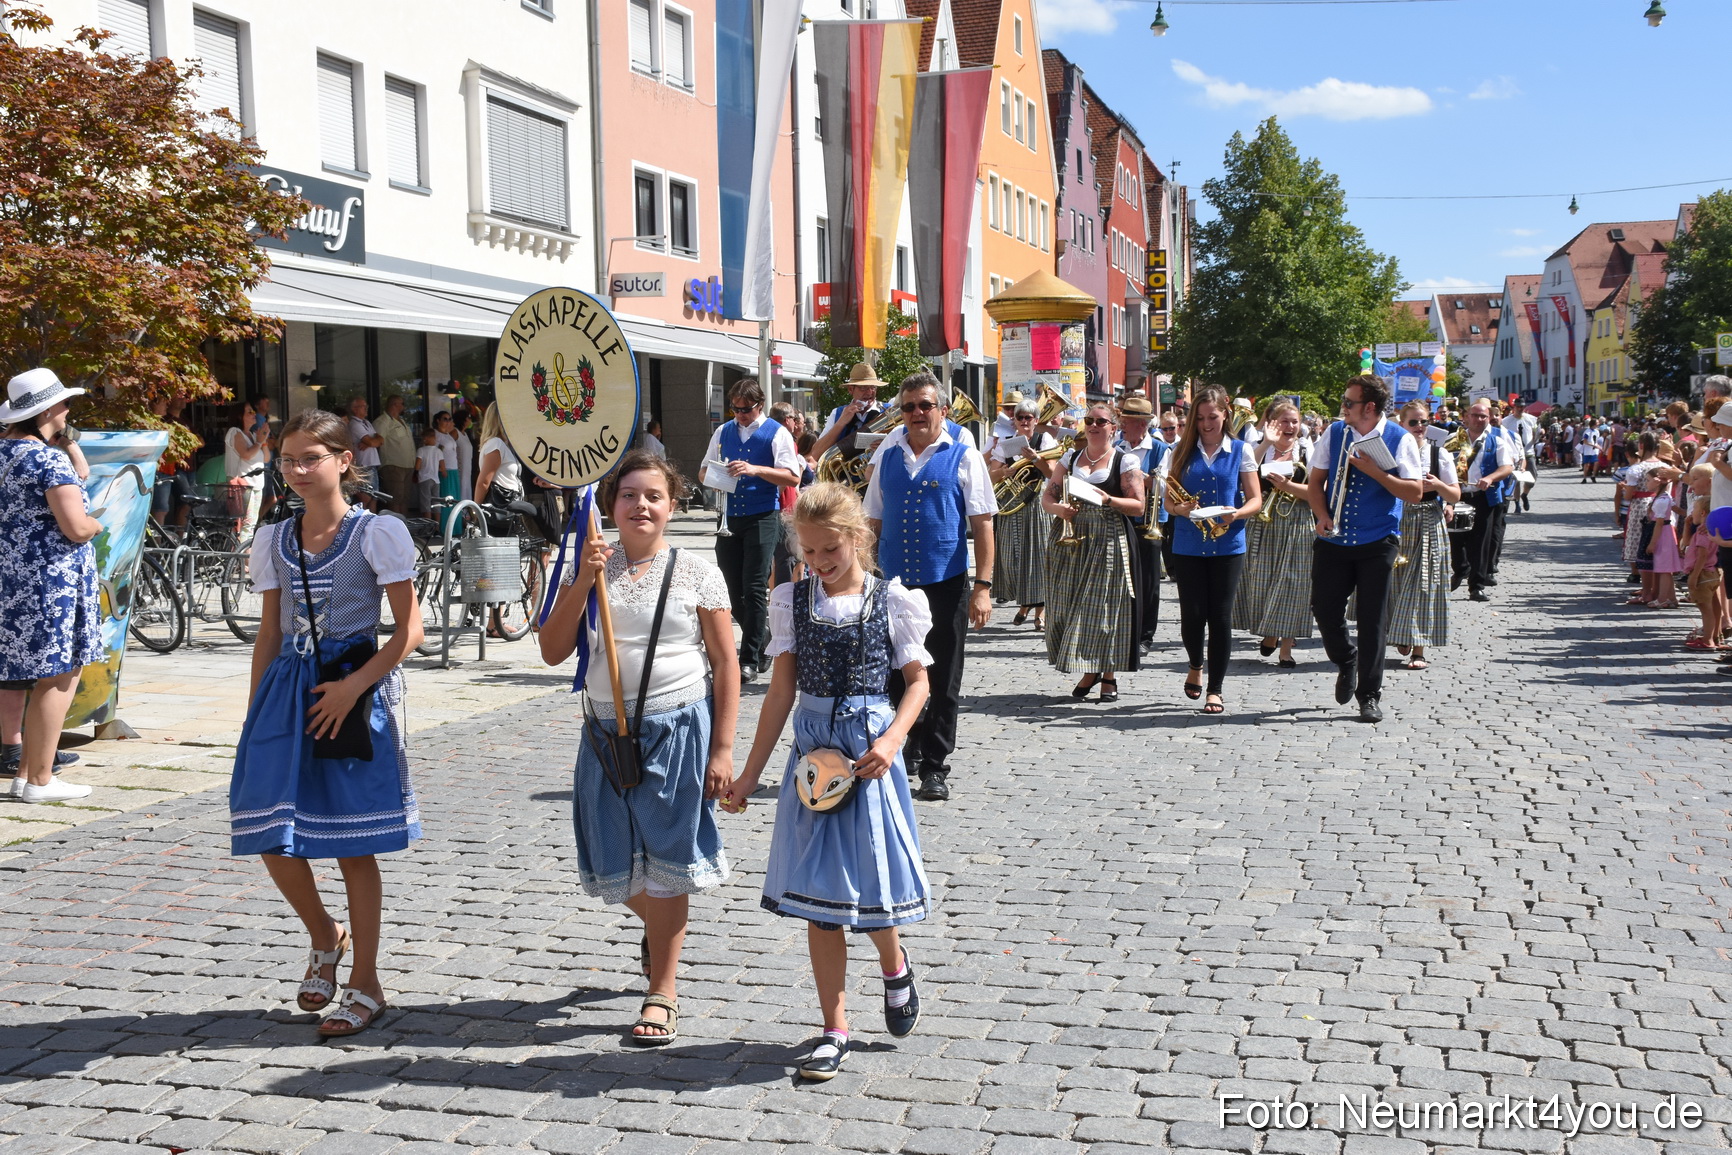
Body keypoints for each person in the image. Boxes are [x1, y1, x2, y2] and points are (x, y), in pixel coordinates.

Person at [722, 483, 931, 1081]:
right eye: (808, 553)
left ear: (857, 537)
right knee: (820, 899)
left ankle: (894, 967)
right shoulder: (792, 600)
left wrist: (891, 740)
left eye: (829, 550)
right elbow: (782, 690)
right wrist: (750, 773)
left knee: (869, 886)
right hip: (815, 757)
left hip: (868, 753)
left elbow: (917, 683)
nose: (818, 563)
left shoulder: (892, 600)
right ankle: (833, 1027)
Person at [228, 409, 423, 1037]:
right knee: (263, 823)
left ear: (344, 461)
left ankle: (366, 981)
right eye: (288, 459)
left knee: (351, 843)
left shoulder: (377, 533)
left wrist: (352, 689)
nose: (297, 470)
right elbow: (269, 631)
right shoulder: (273, 539)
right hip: (289, 687)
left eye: (311, 457)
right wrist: (257, 707)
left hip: (353, 685)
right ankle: (324, 933)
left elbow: (410, 631)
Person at [540, 450, 738, 1045]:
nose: (641, 505)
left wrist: (724, 748)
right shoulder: (591, 565)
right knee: (612, 859)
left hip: (676, 727)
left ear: (673, 506)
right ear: (611, 506)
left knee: (668, 858)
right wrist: (581, 579)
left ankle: (663, 990)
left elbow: (727, 663)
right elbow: (552, 650)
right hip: (603, 732)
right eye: (629, 495)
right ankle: (661, 926)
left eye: (653, 495)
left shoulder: (697, 570)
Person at [863, 372, 996, 801]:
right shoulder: (888, 452)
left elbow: (982, 523)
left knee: (943, 676)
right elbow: (872, 521)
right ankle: (906, 751)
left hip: (946, 581)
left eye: (925, 405)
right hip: (893, 583)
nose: (917, 414)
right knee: (895, 674)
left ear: (942, 409)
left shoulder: (963, 454)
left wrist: (983, 586)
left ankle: (935, 767)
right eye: (908, 407)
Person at [0, 369, 101, 804]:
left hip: (13, 578)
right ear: (45, 410)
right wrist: (97, 523)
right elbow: (76, 527)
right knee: (59, 675)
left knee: (35, 675)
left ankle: (27, 775)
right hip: (51, 580)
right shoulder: (45, 459)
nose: (67, 410)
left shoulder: (6, 453)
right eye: (62, 404)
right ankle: (41, 780)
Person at [1306, 374, 1423, 724]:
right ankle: (1346, 659)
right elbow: (1315, 482)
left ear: (1369, 407)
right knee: (1324, 610)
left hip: (1378, 540)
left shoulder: (1399, 439)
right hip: (1335, 537)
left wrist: (1377, 473)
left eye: (1349, 402)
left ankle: (1369, 694)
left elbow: (1414, 492)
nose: (1343, 407)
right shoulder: (1335, 432)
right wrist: (1321, 514)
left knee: (1373, 621)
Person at [1163, 385, 1262, 715]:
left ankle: (1215, 689)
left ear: (1226, 415)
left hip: (1228, 543)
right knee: (1192, 615)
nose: (1207, 424)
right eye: (1201, 418)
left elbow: (1255, 499)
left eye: (1213, 418)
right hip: (1188, 542)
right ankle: (1195, 663)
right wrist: (1182, 510)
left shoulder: (1240, 451)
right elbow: (1168, 502)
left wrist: (1236, 513)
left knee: (1220, 617)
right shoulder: (1178, 450)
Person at [1040, 404, 1144, 702]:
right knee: (1067, 604)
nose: (1094, 425)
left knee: (1104, 607)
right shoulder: (1071, 456)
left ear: (1114, 426)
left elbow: (1139, 505)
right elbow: (1049, 494)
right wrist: (1058, 508)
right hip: (1070, 536)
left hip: (1108, 534)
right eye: (1089, 420)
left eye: (1101, 421)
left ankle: (1106, 674)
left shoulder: (1125, 460)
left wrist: (1109, 498)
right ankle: (1089, 666)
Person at [702, 379, 802, 683]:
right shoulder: (723, 431)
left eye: (745, 410)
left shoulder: (777, 432)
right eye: (735, 409)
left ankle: (748, 659)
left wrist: (754, 469)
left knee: (755, 586)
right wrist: (717, 474)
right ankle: (762, 634)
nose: (740, 415)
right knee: (732, 588)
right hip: (730, 516)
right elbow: (703, 470)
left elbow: (792, 477)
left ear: (759, 405)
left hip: (763, 515)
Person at [1232, 401, 1313, 668]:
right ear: (1272, 423)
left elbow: (1317, 492)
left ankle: (1286, 649)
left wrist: (1289, 485)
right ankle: (1270, 631)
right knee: (1263, 579)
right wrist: (1266, 443)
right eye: (1284, 421)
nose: (1290, 426)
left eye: (1294, 421)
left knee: (1294, 583)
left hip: (1297, 519)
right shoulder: (1259, 448)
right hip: (1263, 521)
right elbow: (1241, 471)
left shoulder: (1306, 449)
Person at [1384, 402, 1459, 670]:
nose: (1419, 427)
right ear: (1401, 425)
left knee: (1424, 583)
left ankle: (1418, 649)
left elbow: (1455, 494)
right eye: (1413, 423)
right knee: (1396, 580)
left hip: (1429, 519)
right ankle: (1402, 631)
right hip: (1398, 518)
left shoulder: (1440, 455)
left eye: (1424, 422)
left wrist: (1438, 485)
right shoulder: (1392, 454)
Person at [987, 402, 1057, 629]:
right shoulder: (1006, 445)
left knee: (1038, 557)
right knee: (1013, 558)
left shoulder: (1044, 441)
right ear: (1014, 421)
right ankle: (1025, 605)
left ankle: (1040, 613)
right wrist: (1004, 472)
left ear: (1036, 420)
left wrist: (1036, 459)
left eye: (1029, 417)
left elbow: (1054, 473)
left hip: (1035, 502)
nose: (1025, 421)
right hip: (1011, 504)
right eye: (1020, 418)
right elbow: (991, 475)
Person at [1116, 395, 1169, 650]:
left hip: (1149, 522)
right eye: (1122, 420)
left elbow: (1164, 484)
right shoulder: (1117, 446)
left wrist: (1138, 479)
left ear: (1142, 424)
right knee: (1122, 578)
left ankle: (1145, 635)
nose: (1122, 425)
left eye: (1126, 421)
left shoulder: (1160, 449)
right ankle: (1126, 628)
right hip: (1121, 518)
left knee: (1148, 582)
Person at [1449, 400, 1515, 603]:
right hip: (1457, 495)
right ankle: (1461, 568)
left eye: (1483, 416)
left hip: (1483, 497)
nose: (1478, 419)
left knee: (1481, 543)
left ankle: (1476, 586)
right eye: (1475, 415)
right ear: (1466, 417)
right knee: (1455, 540)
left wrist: (1490, 478)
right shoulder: (1453, 439)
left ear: (1489, 418)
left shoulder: (1497, 441)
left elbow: (1507, 467)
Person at [810, 363, 888, 463]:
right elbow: (816, 454)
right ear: (851, 389)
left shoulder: (888, 411)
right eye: (863, 388)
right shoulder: (837, 413)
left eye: (873, 387)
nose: (869, 393)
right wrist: (841, 422)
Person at [376, 395, 417, 515]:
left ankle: (404, 527)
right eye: (402, 403)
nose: (404, 406)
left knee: (405, 499)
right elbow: (378, 441)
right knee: (395, 498)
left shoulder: (402, 421)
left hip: (408, 466)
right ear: (395, 405)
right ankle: (394, 528)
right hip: (393, 466)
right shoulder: (383, 421)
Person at [345, 398, 384, 509]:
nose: (366, 408)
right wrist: (371, 442)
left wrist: (371, 443)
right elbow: (371, 440)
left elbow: (381, 439)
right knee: (365, 498)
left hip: (372, 465)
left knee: (374, 497)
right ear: (354, 409)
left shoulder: (366, 422)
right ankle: (362, 522)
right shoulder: (355, 424)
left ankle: (372, 522)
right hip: (363, 465)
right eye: (363, 406)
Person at [1502, 398, 1538, 513]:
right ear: (1514, 407)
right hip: (1515, 454)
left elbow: (1535, 432)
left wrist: (1536, 439)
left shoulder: (1531, 419)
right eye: (1518, 406)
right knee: (1516, 480)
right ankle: (1517, 504)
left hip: (1528, 452)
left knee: (1532, 478)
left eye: (1522, 406)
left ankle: (1525, 495)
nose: (1521, 408)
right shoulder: (1506, 421)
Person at [433, 411, 461, 504]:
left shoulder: (448, 435)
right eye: (445, 419)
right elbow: (435, 452)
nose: (448, 421)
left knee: (454, 496)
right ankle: (446, 518)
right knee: (446, 496)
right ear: (438, 420)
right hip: (445, 469)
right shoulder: (436, 434)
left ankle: (455, 518)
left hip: (454, 469)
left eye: (449, 419)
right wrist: (441, 468)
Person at [414, 429, 444, 517]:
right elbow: (443, 468)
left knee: (426, 503)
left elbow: (417, 467)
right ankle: (437, 527)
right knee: (437, 503)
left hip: (424, 479)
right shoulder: (438, 451)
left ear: (425, 439)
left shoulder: (421, 450)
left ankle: (428, 526)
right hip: (436, 480)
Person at [453, 408, 476, 502]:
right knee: (461, 487)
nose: (470, 420)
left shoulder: (465, 434)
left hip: (467, 468)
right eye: (468, 418)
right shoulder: (455, 432)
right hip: (459, 467)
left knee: (466, 487)